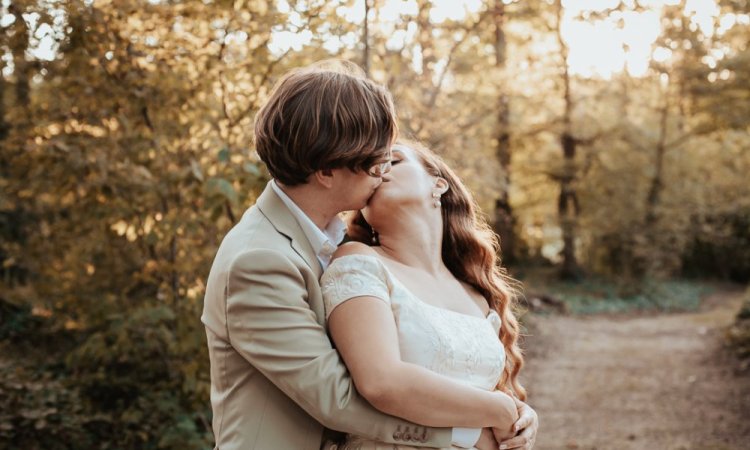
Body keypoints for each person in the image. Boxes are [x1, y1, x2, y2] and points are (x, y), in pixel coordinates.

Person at [201, 59, 537, 450]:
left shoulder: (328, 241)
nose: (382, 169)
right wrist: (476, 429)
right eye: (377, 158)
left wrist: (512, 412)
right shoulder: (259, 259)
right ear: (327, 170)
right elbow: (336, 397)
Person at [320, 139, 537, 450]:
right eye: (369, 168)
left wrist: (521, 418)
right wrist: (499, 409)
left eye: (393, 162)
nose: (378, 170)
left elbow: (486, 390)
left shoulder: (474, 294)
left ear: (438, 185)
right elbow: (381, 382)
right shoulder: (359, 262)